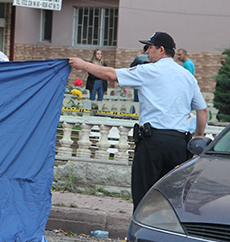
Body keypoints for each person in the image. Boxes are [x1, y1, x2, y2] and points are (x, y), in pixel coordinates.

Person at [69, 32, 208, 210]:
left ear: (161, 50)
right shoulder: (188, 76)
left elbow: (111, 75)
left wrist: (84, 65)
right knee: (171, 202)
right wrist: (196, 143)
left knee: (144, 200)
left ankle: (141, 236)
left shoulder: (148, 70)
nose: (146, 51)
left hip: (153, 144)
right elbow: (202, 111)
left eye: (150, 47)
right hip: (179, 145)